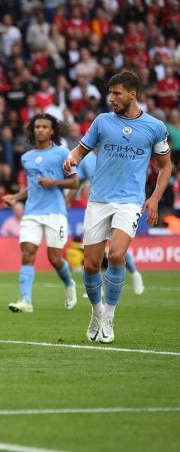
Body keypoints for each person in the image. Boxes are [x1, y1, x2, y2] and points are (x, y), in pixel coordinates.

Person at [63, 71, 172, 343]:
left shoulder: (154, 127)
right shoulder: (102, 122)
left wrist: (155, 197)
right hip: (99, 199)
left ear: (132, 94)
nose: (111, 99)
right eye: (110, 93)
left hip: (130, 201)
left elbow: (166, 165)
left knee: (116, 256)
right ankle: (96, 312)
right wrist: (71, 158)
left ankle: (109, 316)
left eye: (117, 94)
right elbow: (81, 150)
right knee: (90, 266)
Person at [4, 113, 79, 314]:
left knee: (54, 258)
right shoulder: (26, 158)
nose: (40, 130)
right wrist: (16, 197)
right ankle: (26, 300)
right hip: (32, 212)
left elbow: (74, 182)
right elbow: (32, 185)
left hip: (55, 212)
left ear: (52, 130)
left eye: (45, 127)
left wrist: (54, 182)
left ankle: (69, 283)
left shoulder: (63, 153)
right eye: (37, 126)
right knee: (27, 253)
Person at [66, 151, 146, 295]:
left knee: (116, 248)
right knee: (98, 247)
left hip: (120, 203)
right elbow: (80, 182)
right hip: (98, 205)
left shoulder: (117, 153)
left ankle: (134, 274)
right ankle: (99, 288)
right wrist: (66, 202)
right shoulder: (88, 160)